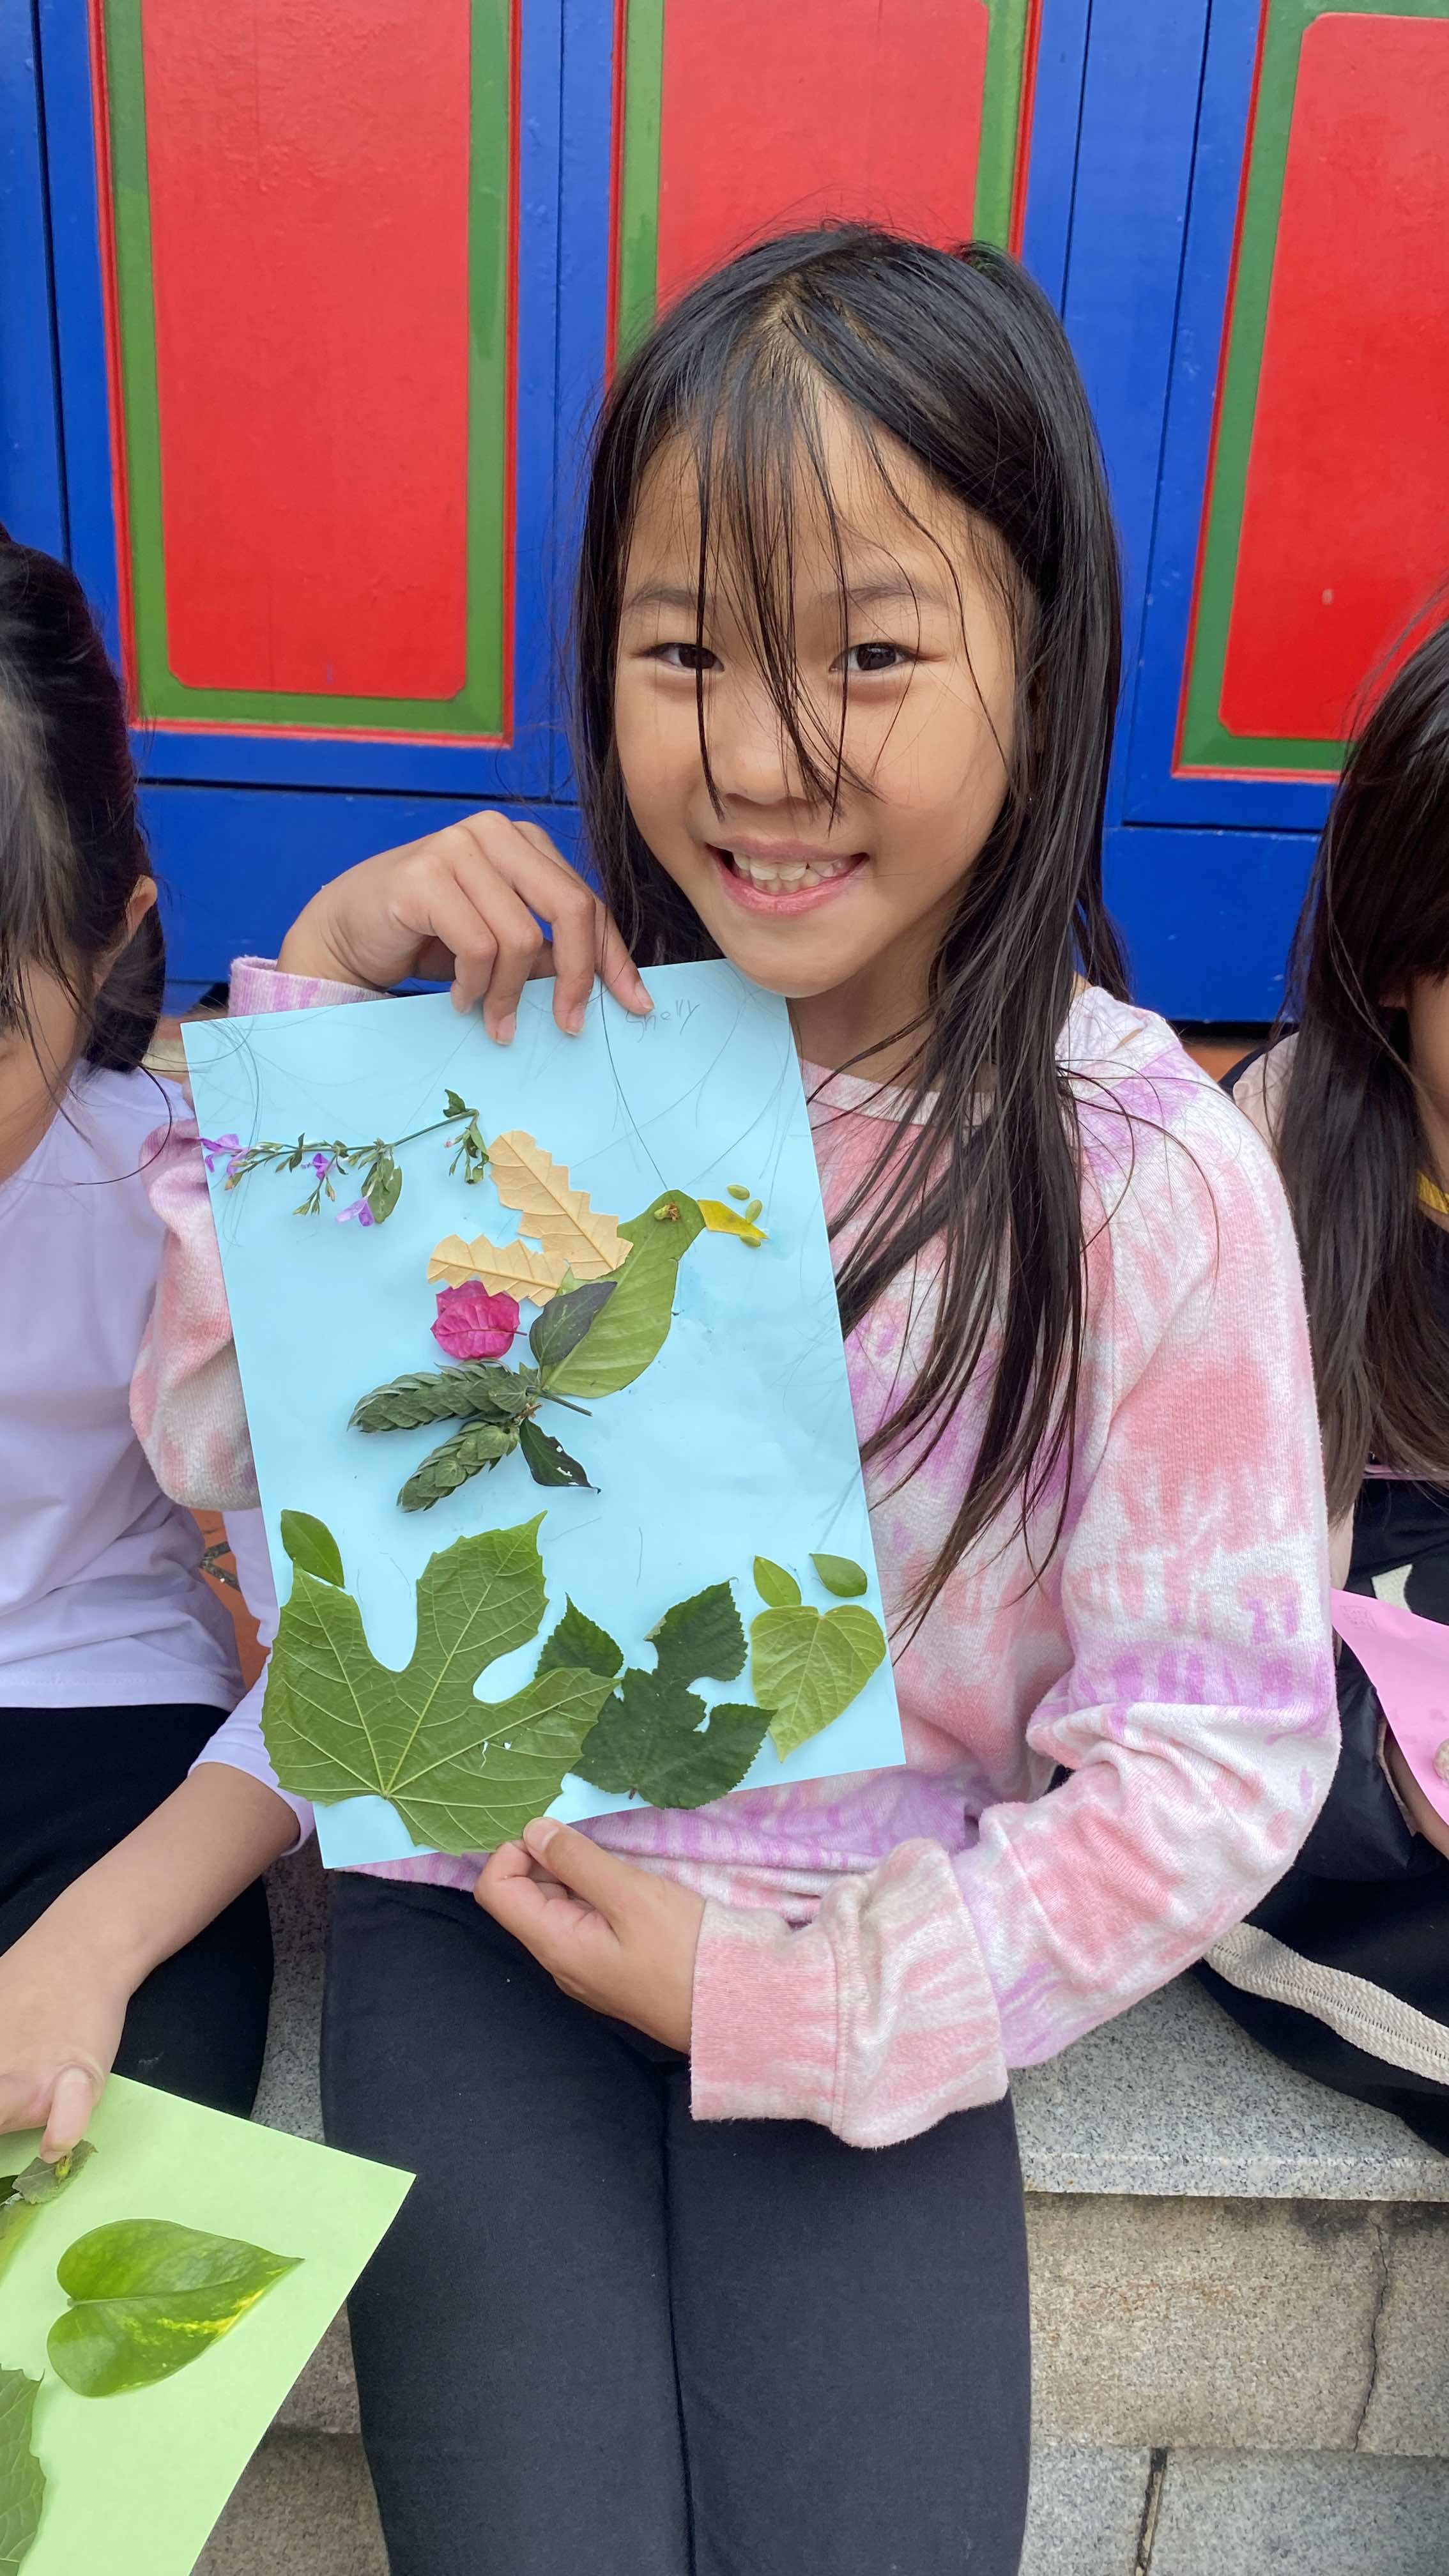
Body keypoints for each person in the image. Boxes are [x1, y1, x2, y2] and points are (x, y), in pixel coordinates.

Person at [5, 233, 1337, 2575]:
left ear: (1044, 664)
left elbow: (1213, 1747)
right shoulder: (521, 1069)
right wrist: (320, 1028)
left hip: (866, 1936)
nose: (753, 753)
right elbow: (245, 1481)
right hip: (477, 1900)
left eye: (871, 654)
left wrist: (808, 2006)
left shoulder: (1135, 1173)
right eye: (683, 650)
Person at [0, 531, 272, 2150]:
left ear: (109, 941)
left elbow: (347, 1664)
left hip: (103, 1745)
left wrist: (92, 1946)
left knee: (126, 2184)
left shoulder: (179, 1205)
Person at [1199, 615, 1449, 2151]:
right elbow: (1188, 1624)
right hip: (1334, 1816)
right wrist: (1387, 1767)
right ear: (1405, 950)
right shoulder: (1258, 1183)